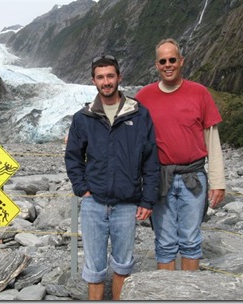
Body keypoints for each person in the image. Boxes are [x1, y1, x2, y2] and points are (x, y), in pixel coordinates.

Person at [64, 55, 160, 300]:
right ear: (93, 81)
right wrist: (81, 188)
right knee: (94, 268)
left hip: (127, 204)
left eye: (110, 76)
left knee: (123, 264)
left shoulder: (138, 115)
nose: (106, 82)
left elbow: (150, 159)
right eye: (100, 77)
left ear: (119, 77)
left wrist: (147, 200)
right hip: (94, 203)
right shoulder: (83, 118)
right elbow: (73, 157)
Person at [135, 38, 226, 271]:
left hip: (193, 177)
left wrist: (218, 182)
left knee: (191, 241)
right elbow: (126, 133)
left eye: (172, 60)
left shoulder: (200, 93)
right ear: (156, 64)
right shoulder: (143, 97)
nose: (168, 65)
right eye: (163, 61)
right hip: (159, 178)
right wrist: (79, 131)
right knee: (164, 243)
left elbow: (212, 140)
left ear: (181, 61)